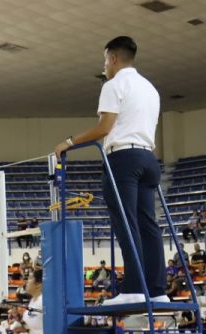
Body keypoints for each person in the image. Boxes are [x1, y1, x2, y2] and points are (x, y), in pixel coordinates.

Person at [54, 36, 167, 305]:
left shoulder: (114, 85)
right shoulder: (149, 87)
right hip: (149, 158)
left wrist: (69, 142)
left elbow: (104, 128)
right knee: (149, 225)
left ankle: (133, 289)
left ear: (114, 59)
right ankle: (158, 290)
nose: (104, 66)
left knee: (126, 223)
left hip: (123, 158)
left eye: (105, 60)